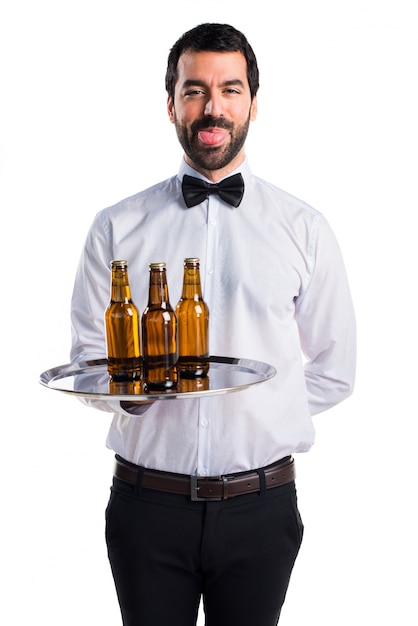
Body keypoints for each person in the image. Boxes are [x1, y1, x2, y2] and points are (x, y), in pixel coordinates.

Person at [70, 22, 356, 626]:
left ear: (253, 101)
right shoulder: (116, 226)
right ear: (170, 103)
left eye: (230, 89)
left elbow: (335, 370)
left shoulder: (304, 228)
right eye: (194, 89)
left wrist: (258, 416)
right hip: (147, 507)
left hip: (263, 508)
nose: (213, 107)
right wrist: (139, 399)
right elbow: (91, 357)